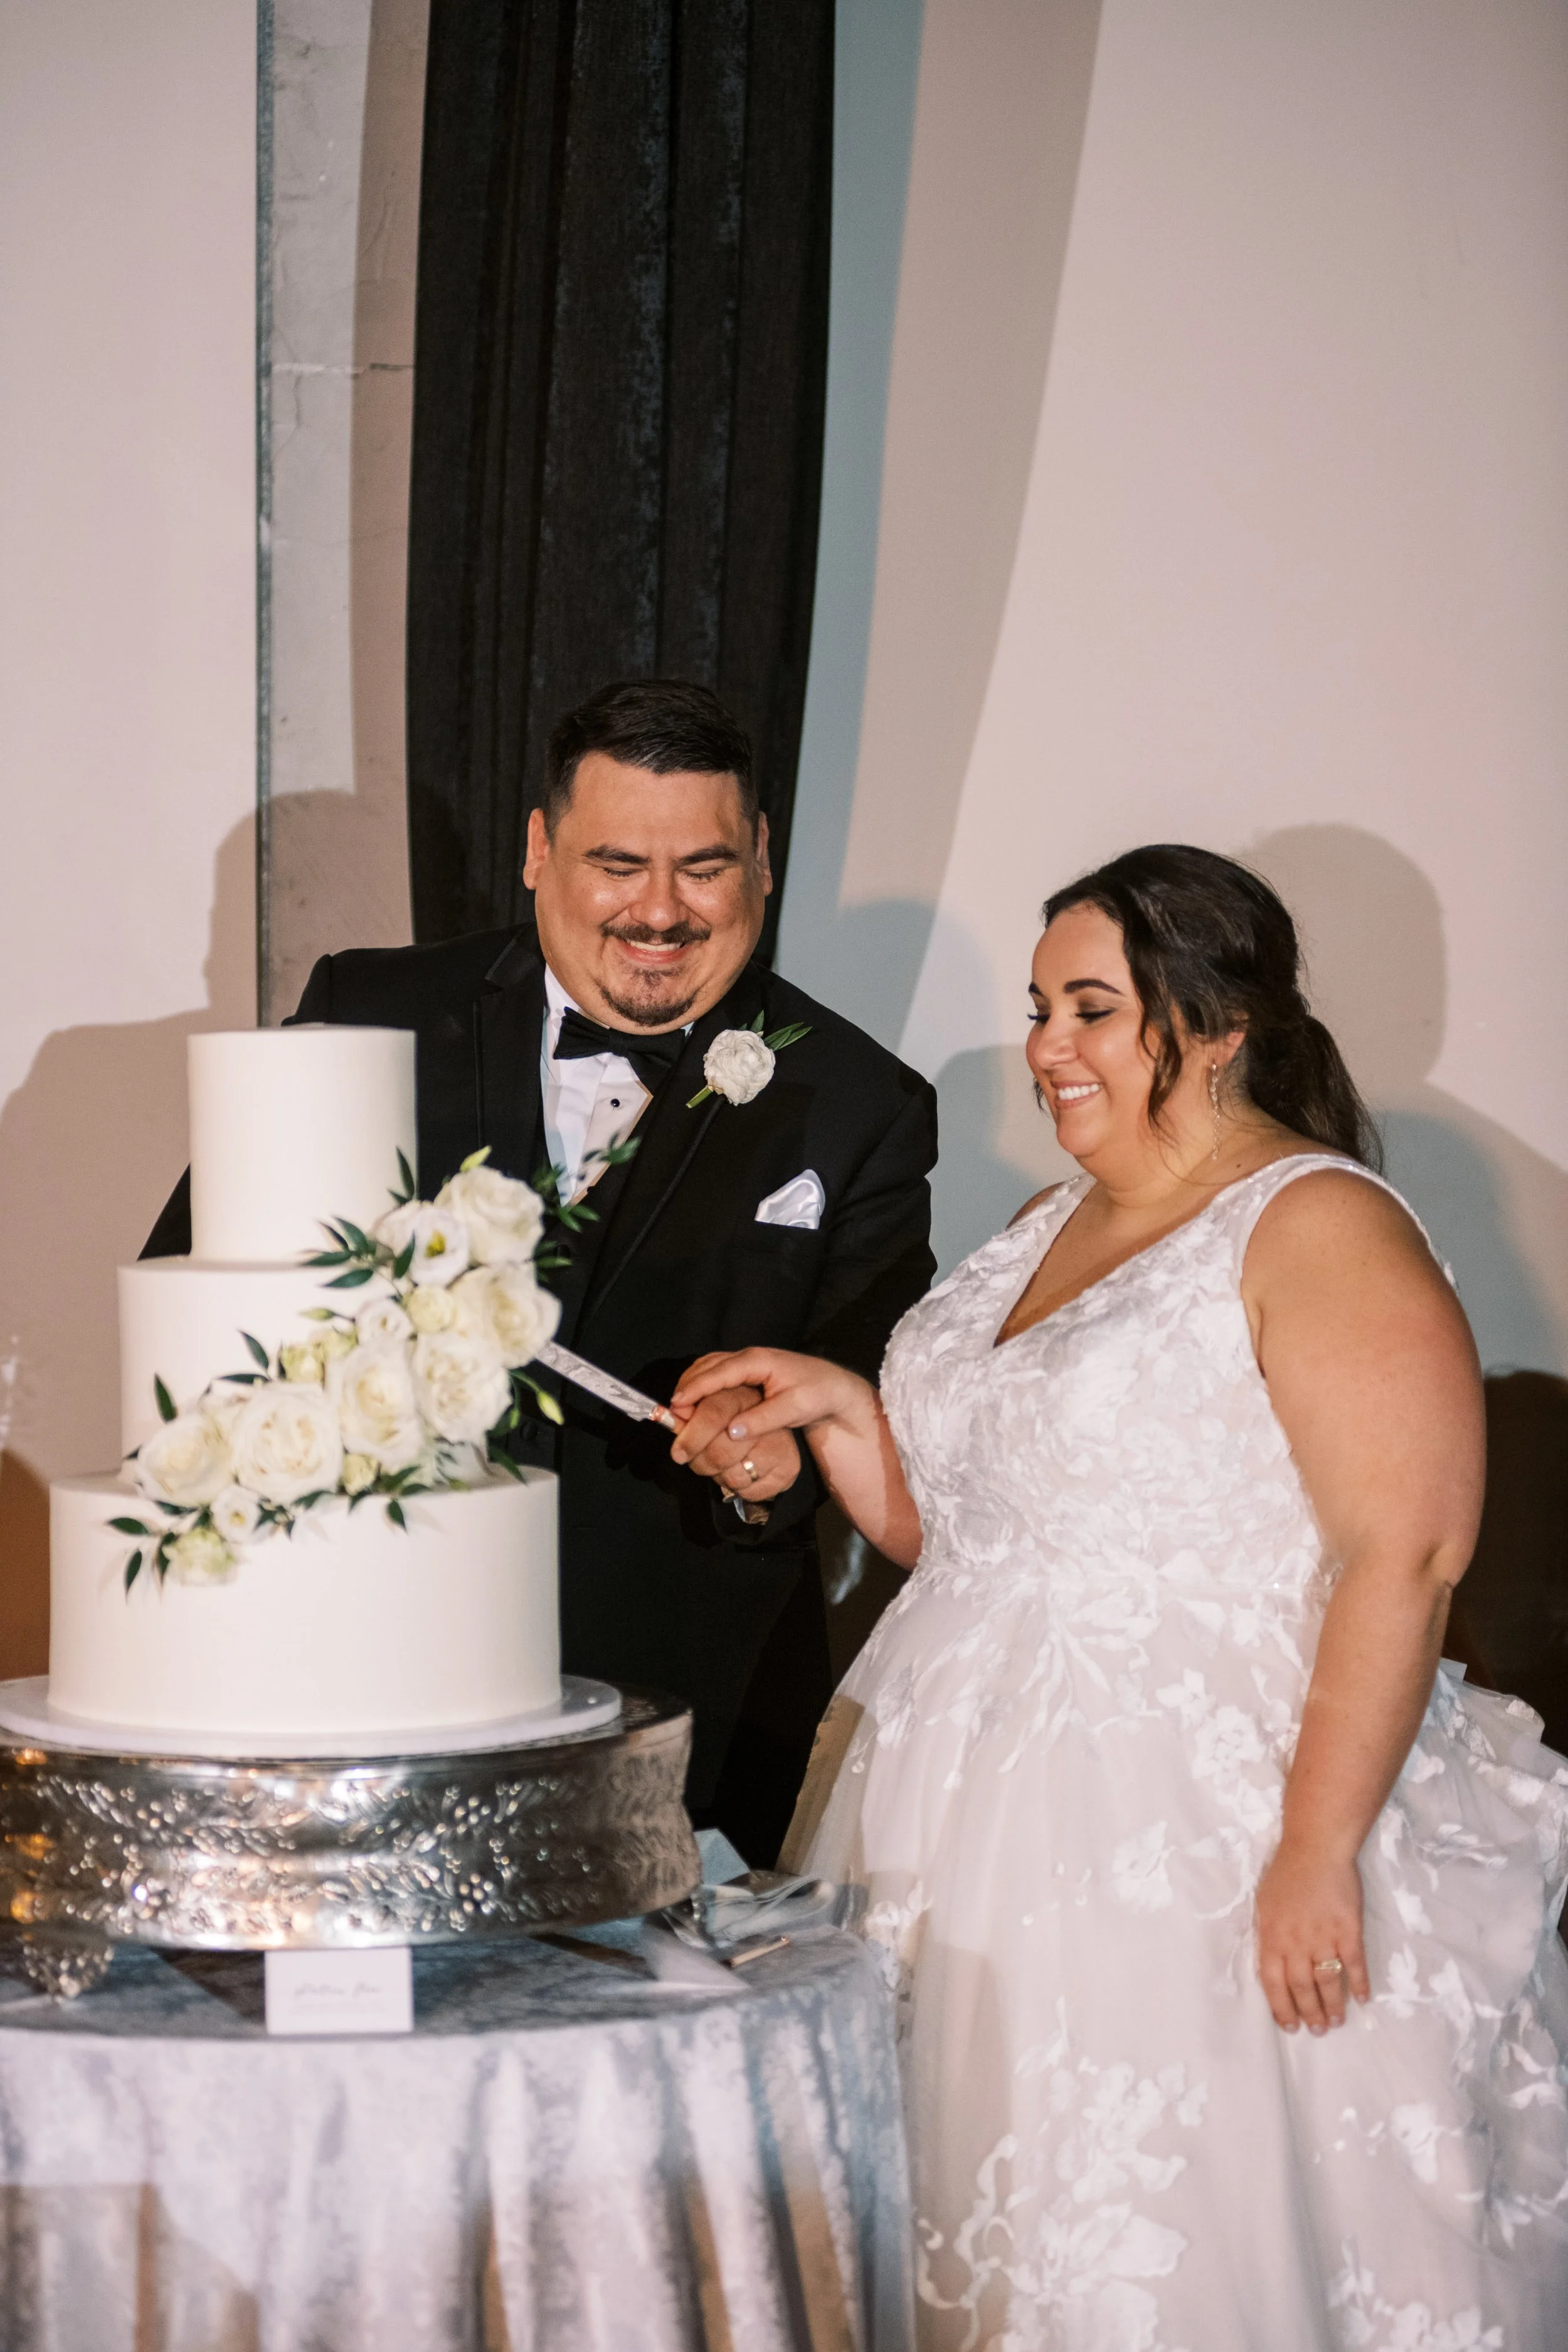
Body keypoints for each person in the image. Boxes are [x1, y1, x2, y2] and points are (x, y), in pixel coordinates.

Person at [670, 845, 1568, 2348]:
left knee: (1154, 2228)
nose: (1045, 1048)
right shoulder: (1046, 1218)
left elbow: (1404, 1557)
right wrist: (836, 1410)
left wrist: (1313, 1850)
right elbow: (973, 1535)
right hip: (946, 1812)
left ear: (1215, 1027)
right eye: (1039, 1010)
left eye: (1091, 1010)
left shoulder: (1315, 1223)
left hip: (1189, 1832)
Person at [145, 680, 937, 1865]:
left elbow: (867, 1400)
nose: (659, 910)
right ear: (536, 850)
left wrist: (774, 1469)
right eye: (617, 864)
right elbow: (195, 1282)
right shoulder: (366, 1008)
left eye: (705, 867)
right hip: (361, 1666)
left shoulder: (867, 1105)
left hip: (679, 1715)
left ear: (763, 861)